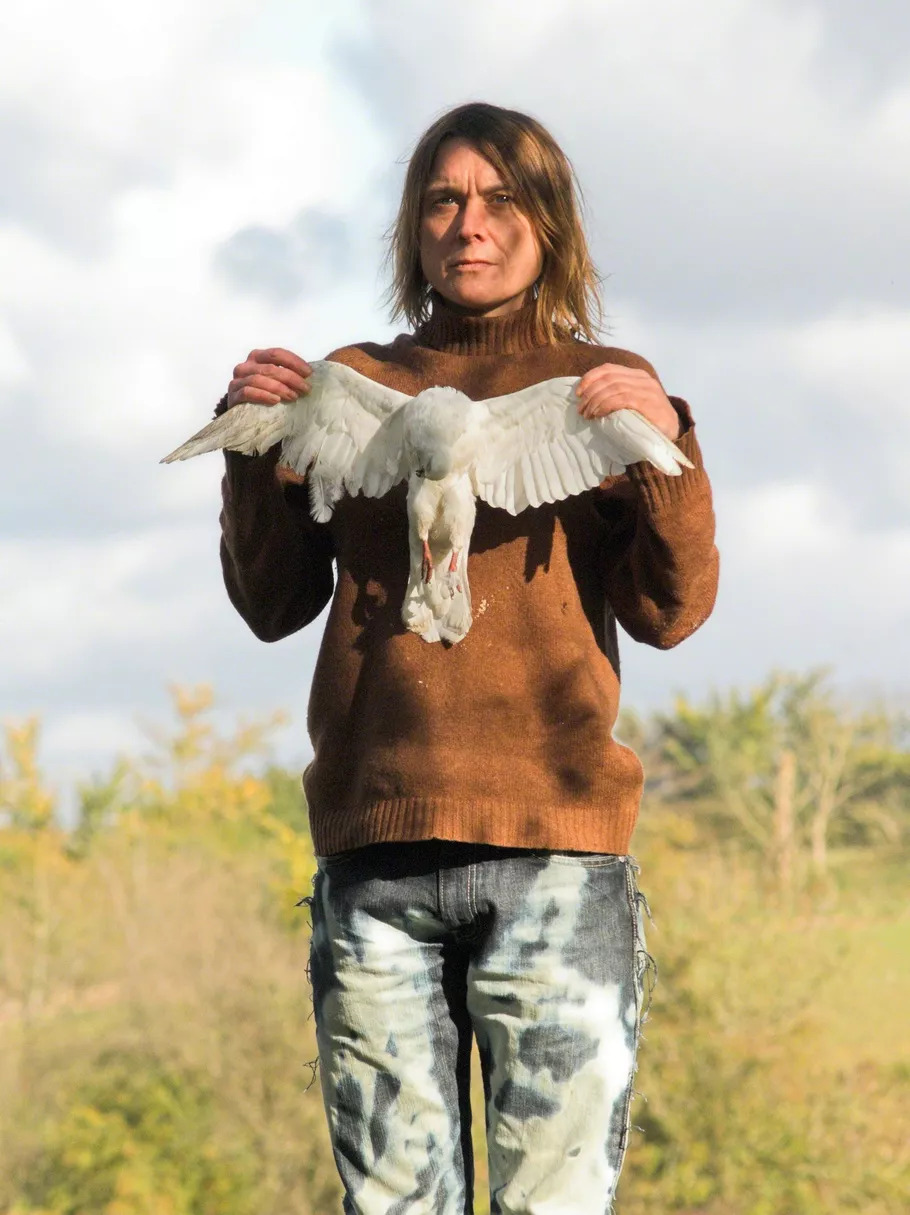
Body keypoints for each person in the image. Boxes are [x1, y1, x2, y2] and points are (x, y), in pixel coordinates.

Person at [217, 102, 719, 1214]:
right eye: (443, 200)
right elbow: (271, 603)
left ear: (548, 222)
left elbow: (672, 611)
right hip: (377, 853)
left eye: (500, 200)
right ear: (413, 227)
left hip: (555, 855)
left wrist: (667, 446)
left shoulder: (601, 387)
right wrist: (256, 451)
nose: (470, 225)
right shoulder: (348, 380)